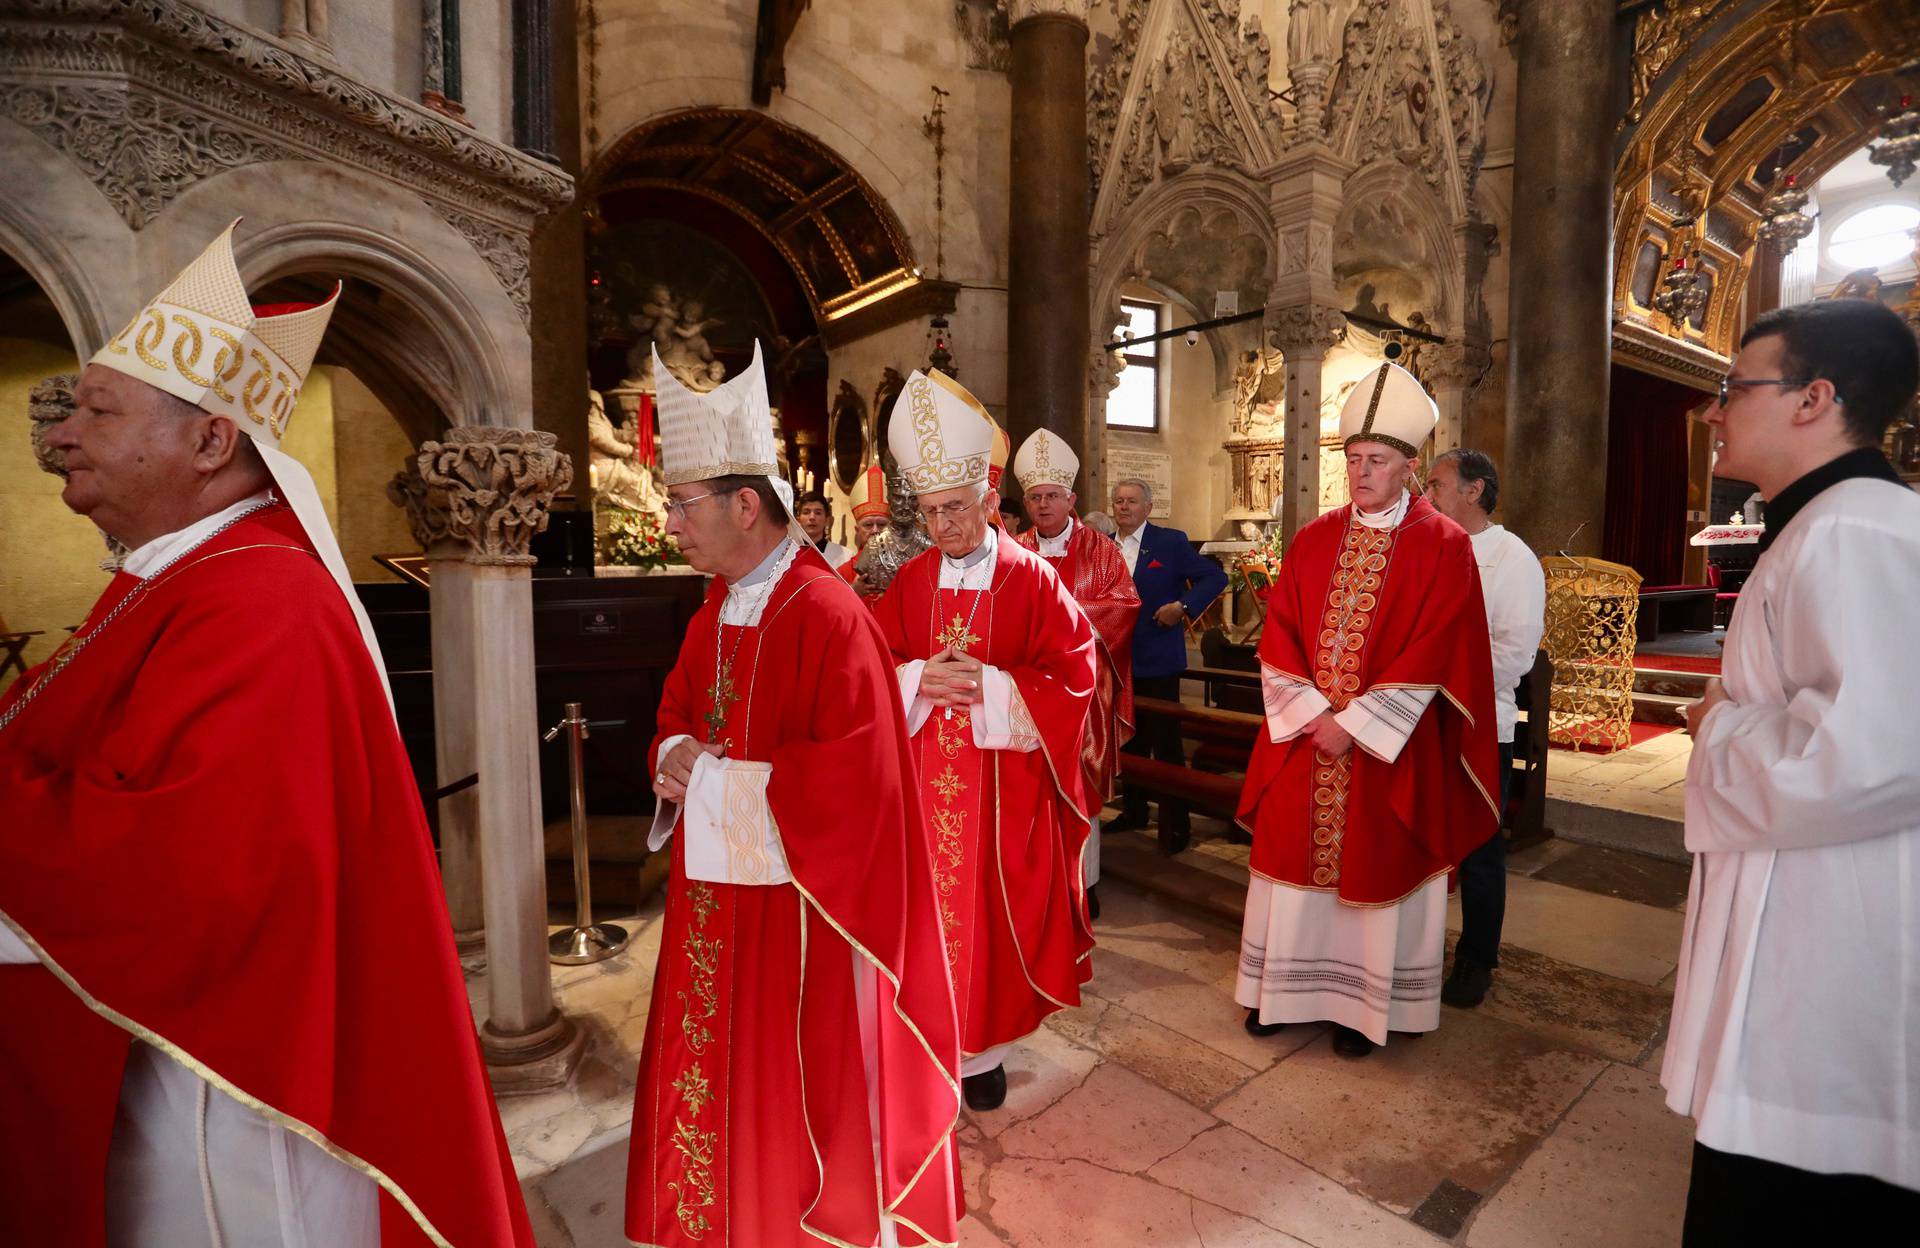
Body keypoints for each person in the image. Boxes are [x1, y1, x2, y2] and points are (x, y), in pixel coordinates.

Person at [0, 220, 530, 1246]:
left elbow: (187, 869)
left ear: (210, 441)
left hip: (223, 1100)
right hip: (167, 1061)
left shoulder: (259, 601)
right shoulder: (180, 581)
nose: (62, 433)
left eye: (98, 411)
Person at [626, 344, 960, 1248]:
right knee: (718, 1066)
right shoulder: (716, 607)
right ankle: (724, 1207)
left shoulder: (826, 613)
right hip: (713, 897)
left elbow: (854, 779)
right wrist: (674, 754)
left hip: (797, 911)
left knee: (785, 1069)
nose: (669, 523)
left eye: (681, 503)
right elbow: (677, 715)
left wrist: (716, 780)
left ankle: (788, 1216)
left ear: (745, 504)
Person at [1662, 298, 1920, 1238]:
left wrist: (1717, 722)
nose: (1713, 411)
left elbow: (1871, 754)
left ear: (1814, 398)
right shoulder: (1825, 524)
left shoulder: (1856, 532)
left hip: (1833, 921)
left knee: (1797, 1187)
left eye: (1734, 388)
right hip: (1809, 888)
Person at [1233, 361, 1498, 1058]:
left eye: (1376, 460)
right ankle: (1281, 994)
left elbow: (1441, 648)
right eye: (1353, 459)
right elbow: (1281, 632)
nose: (1361, 472)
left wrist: (1352, 726)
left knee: (1375, 866)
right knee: (1291, 868)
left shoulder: (1443, 546)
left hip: (1387, 749)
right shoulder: (1315, 537)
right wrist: (1313, 713)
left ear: (1410, 467)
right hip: (1305, 738)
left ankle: (1360, 1010)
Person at [872, 369, 1097, 1113]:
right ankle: (919, 1040)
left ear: (990, 503)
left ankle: (981, 1055)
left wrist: (994, 689)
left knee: (990, 926)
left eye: (958, 509)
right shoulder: (908, 583)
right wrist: (914, 681)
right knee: (918, 918)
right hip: (920, 788)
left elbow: (1075, 677)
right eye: (932, 512)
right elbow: (873, 669)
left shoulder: (1033, 581)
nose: (946, 526)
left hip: (1002, 796)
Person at [1423, 449, 1544, 1007]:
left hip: (1477, 722)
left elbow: (1514, 653)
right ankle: (1415, 950)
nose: (1428, 494)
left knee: (1476, 845)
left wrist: (1435, 677)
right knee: (1422, 837)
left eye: (1438, 483)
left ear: (1475, 491)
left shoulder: (1510, 557)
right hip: (1416, 722)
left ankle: (1476, 959)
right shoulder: (1425, 547)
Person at [1012, 429, 1139, 919]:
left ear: (1071, 499)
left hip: (1084, 693)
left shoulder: (1102, 551)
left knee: (1079, 788)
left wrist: (1058, 618)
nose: (1043, 505)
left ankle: (1083, 884)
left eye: (1052, 496)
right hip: (1022, 691)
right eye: (1035, 497)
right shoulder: (1012, 549)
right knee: (1029, 786)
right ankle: (1033, 882)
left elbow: (1125, 606)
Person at [1107, 477, 1227, 851]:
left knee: (1166, 743)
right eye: (1118, 501)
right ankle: (1136, 810)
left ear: (1148, 507)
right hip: (1117, 661)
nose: (1124, 507)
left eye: (1131, 501)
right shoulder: (1104, 546)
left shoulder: (1169, 542)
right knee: (1128, 742)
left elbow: (1215, 576)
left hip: (1158, 659)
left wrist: (1184, 607)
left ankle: (1177, 824)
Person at [839, 462, 892, 603]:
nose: (875, 530)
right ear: (857, 530)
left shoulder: (906, 567)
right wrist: (853, 592)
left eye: (881, 524)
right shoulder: (843, 572)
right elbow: (830, 616)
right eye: (868, 525)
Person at [795, 489, 850, 568]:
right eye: (806, 512)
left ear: (827, 520)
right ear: (798, 519)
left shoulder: (845, 556)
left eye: (818, 513)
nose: (812, 517)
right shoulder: (789, 555)